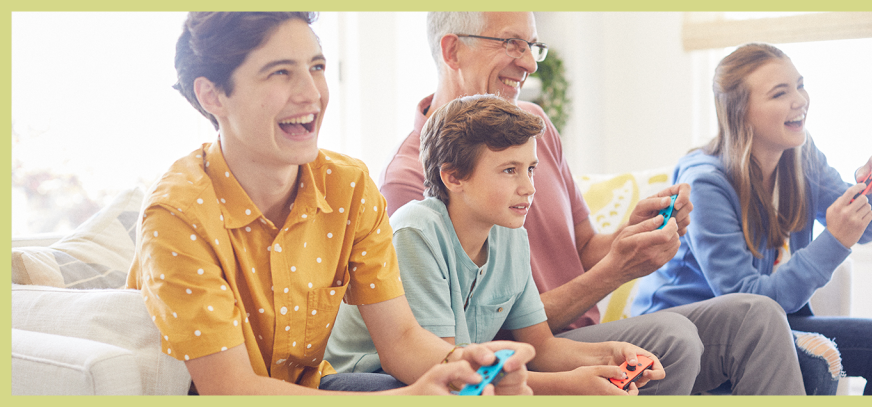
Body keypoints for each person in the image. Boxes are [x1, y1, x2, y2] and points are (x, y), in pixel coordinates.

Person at [379, 11, 805, 395]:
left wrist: (630, 238)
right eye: (510, 43)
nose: (528, 63)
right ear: (453, 49)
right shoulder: (411, 188)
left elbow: (582, 249)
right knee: (675, 336)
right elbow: (473, 334)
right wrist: (614, 273)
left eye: (532, 45)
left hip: (561, 340)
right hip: (506, 352)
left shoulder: (534, 129)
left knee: (758, 315)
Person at [125, 11, 535, 396]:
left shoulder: (348, 187)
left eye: (316, 68)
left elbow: (401, 340)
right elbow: (230, 388)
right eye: (281, 72)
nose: (311, 93)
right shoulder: (177, 213)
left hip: (312, 388)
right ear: (212, 95)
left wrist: (465, 365)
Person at [630, 43, 872, 395]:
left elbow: (868, 228)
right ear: (741, 113)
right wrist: (835, 241)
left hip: (774, 319)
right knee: (817, 357)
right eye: (780, 93)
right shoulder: (706, 183)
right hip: (692, 337)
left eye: (799, 85)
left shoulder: (801, 155)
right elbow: (748, 301)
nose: (800, 100)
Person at [327, 94, 667, 395]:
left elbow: (542, 347)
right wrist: (568, 385)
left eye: (531, 169)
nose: (529, 187)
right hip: (370, 377)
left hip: (458, 375)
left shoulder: (511, 235)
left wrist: (611, 355)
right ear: (453, 177)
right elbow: (443, 373)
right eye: (509, 170)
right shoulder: (416, 233)